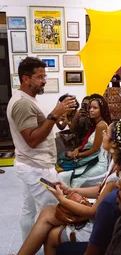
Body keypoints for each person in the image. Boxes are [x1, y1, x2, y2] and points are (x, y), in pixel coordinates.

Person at [17, 121, 121, 255]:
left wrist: (61, 199)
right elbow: (100, 189)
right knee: (47, 212)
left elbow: (93, 213)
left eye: (106, 133)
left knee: (50, 228)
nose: (103, 135)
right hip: (98, 216)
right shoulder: (114, 163)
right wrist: (71, 190)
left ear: (113, 143)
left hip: (98, 225)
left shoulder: (118, 176)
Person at [6, 57, 77, 241]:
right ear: (25, 79)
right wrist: (54, 114)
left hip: (32, 163)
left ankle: (26, 247)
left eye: (45, 76)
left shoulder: (29, 99)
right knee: (52, 210)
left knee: (28, 209)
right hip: (37, 167)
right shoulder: (23, 103)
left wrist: (56, 116)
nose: (44, 80)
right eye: (40, 77)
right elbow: (32, 140)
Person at [57, 95, 111, 172]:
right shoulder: (92, 121)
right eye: (89, 107)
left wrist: (77, 155)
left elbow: (95, 149)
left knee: (62, 161)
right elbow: (68, 128)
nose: (91, 110)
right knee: (61, 157)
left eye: (95, 108)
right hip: (82, 147)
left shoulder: (100, 124)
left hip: (91, 156)